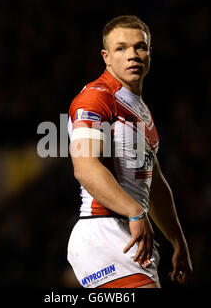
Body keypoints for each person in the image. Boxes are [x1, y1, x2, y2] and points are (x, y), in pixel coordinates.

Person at [67, 15, 192, 288]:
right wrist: (135, 212)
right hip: (104, 229)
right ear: (106, 57)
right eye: (121, 48)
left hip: (131, 232)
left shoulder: (142, 110)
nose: (132, 55)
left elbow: (155, 184)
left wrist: (177, 240)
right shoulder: (95, 97)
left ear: (149, 53)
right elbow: (85, 167)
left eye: (140, 47)